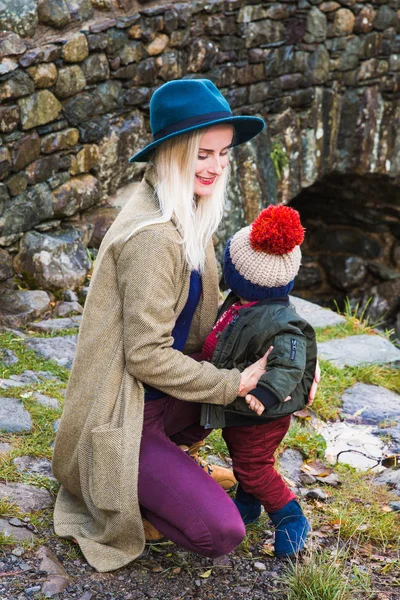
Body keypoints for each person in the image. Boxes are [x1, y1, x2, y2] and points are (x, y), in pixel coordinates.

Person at [51, 79, 279, 573]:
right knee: (221, 532)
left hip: (158, 403)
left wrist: (286, 356)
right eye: (202, 153)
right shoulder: (155, 237)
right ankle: (135, 495)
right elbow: (145, 355)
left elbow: (211, 318)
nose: (216, 167)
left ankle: (167, 471)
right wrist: (229, 383)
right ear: (173, 153)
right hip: (122, 417)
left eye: (223, 153)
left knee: (274, 387)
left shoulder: (186, 211)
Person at [200, 204, 319, 557]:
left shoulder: (279, 321)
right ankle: (248, 506)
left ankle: (290, 517)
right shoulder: (245, 302)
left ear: (241, 278)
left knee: (253, 466)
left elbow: (290, 362)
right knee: (242, 457)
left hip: (262, 413)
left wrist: (267, 392)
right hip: (243, 410)